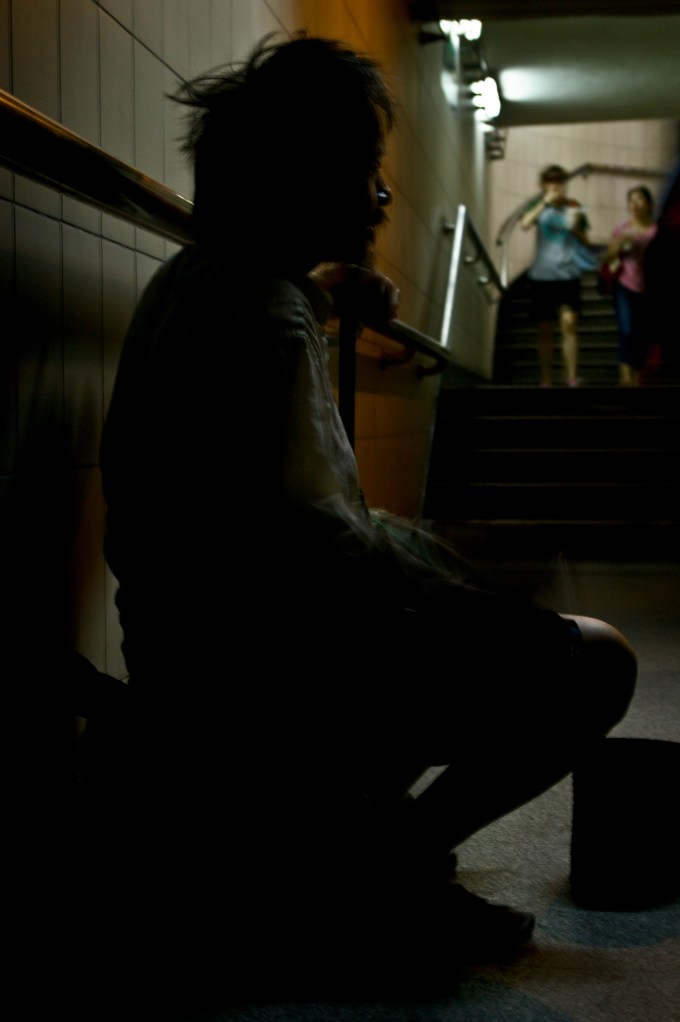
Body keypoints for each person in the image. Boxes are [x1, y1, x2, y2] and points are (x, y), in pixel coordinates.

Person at [89, 35, 636, 1000]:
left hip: (185, 657)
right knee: (592, 658)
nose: (382, 197)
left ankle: (352, 857)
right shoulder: (266, 318)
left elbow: (275, 506)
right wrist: (471, 574)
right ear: (298, 182)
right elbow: (322, 549)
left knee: (452, 621)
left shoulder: (200, 282)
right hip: (268, 680)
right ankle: (382, 873)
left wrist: (326, 289)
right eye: (365, 174)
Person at [520, 164, 591, 388]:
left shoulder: (574, 206)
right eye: (550, 181)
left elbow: (587, 240)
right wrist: (545, 202)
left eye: (560, 181)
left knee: (570, 322)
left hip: (568, 274)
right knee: (545, 328)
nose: (556, 185)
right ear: (543, 184)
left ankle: (571, 378)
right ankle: (546, 380)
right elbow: (524, 223)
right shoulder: (538, 205)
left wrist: (576, 228)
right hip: (542, 275)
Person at [603, 186, 658, 386]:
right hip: (625, 284)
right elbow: (609, 257)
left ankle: (638, 375)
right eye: (631, 200)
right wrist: (620, 244)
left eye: (640, 199)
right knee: (626, 330)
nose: (635, 204)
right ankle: (625, 379)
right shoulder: (623, 229)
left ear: (649, 204)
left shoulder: (656, 231)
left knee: (642, 333)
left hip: (650, 286)